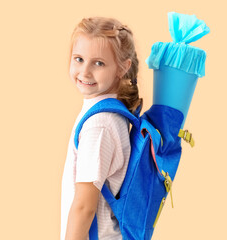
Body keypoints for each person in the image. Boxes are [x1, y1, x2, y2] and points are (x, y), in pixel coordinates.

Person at [60, 16, 142, 240]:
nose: (85, 71)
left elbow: (84, 208)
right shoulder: (108, 113)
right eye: (78, 59)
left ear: (122, 68)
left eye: (98, 63)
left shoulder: (100, 125)